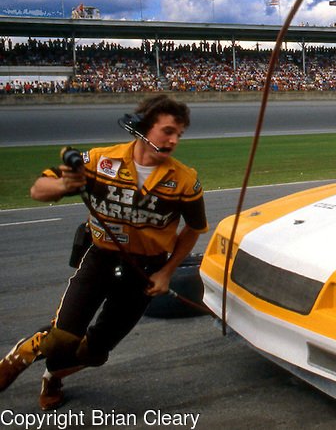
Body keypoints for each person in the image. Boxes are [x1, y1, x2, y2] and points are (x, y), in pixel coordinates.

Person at [0, 95, 208, 410]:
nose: (174, 140)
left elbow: (193, 229)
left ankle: (53, 375)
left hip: (146, 271)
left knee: (95, 353)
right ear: (143, 128)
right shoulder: (99, 160)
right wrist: (65, 187)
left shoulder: (185, 180)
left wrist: (166, 272)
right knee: (63, 338)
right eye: (167, 131)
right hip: (100, 258)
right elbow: (37, 190)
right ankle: (22, 354)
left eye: (179, 134)